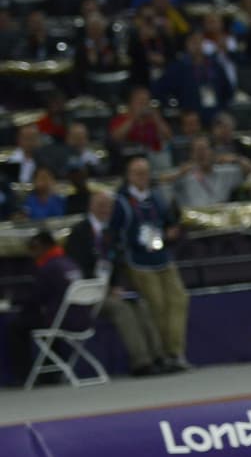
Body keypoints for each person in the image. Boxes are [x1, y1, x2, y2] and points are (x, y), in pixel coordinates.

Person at [65, 191, 173, 376]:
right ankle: (141, 362)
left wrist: (115, 286)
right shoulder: (79, 232)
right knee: (120, 309)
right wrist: (101, 288)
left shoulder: (112, 232)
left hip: (109, 290)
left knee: (139, 304)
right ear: (91, 206)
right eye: (101, 205)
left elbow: (114, 262)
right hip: (86, 294)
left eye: (108, 206)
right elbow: (77, 266)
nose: (105, 210)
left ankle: (159, 357)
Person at [109, 157, 192, 370]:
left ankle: (176, 351)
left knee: (179, 300)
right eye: (137, 173)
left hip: (162, 257)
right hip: (139, 262)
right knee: (157, 306)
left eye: (145, 172)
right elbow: (115, 235)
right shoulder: (122, 202)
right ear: (129, 176)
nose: (142, 177)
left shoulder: (156, 197)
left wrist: (171, 231)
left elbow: (168, 223)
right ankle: (162, 353)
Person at [5, 231, 86, 386]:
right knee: (47, 321)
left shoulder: (48, 267)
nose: (32, 254)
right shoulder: (70, 263)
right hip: (83, 320)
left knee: (16, 326)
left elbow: (35, 299)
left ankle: (24, 376)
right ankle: (52, 374)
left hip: (63, 322)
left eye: (33, 249)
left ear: (41, 247)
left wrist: (13, 302)